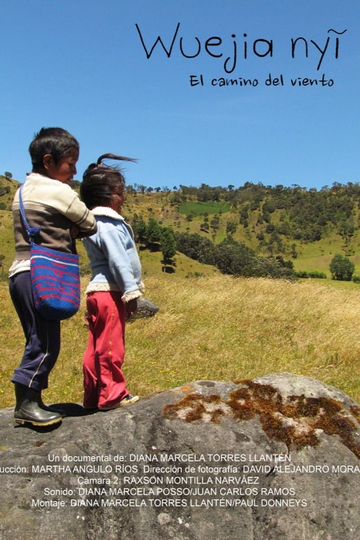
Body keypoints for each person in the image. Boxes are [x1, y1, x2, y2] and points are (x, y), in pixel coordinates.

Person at [9, 127, 97, 427]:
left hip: (20, 273)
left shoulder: (22, 191)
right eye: (70, 164)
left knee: (35, 339)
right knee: (46, 344)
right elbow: (90, 221)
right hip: (43, 274)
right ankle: (26, 404)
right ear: (48, 162)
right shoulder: (58, 191)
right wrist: (73, 229)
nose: (74, 171)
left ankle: (31, 400)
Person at [80, 153, 144, 410]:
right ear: (109, 196)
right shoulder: (108, 223)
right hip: (110, 292)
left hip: (97, 292)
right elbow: (118, 260)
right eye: (120, 192)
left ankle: (93, 396)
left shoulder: (93, 221)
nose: (124, 198)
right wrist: (131, 291)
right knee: (110, 346)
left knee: (95, 346)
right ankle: (112, 396)